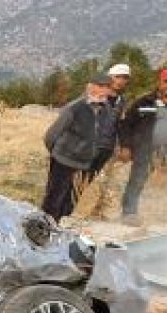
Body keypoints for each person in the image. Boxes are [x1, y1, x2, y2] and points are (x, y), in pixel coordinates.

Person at [41, 75, 115, 221]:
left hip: (85, 163)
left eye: (107, 87)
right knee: (54, 199)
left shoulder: (106, 109)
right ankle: (43, 228)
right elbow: (50, 136)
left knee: (70, 201)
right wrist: (59, 154)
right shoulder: (75, 107)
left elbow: (101, 134)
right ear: (90, 87)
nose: (104, 91)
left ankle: (58, 227)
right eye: (100, 86)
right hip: (63, 160)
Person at [118, 67, 167, 225]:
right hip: (147, 150)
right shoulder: (144, 102)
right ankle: (129, 213)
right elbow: (126, 125)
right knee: (137, 179)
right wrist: (125, 146)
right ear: (160, 82)